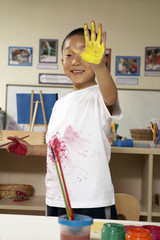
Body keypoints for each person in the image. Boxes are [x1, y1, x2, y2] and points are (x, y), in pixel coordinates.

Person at [7, 21, 122, 219]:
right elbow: (58, 147)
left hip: (91, 199)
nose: (76, 61)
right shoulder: (60, 105)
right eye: (69, 55)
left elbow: (111, 96)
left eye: (85, 54)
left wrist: (100, 66)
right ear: (62, 62)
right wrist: (30, 149)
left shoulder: (98, 95)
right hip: (56, 197)